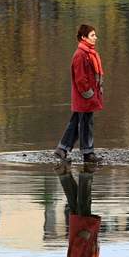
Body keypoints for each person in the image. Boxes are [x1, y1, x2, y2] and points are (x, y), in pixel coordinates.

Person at [54, 24, 104, 164]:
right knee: (86, 124)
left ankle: (62, 150)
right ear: (83, 37)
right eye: (92, 35)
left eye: (95, 35)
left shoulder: (88, 53)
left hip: (87, 96)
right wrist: (90, 95)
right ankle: (87, 153)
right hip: (85, 97)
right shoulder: (81, 55)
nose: (95, 38)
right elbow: (80, 79)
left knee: (77, 123)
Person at [55, 162, 101, 257]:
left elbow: (76, 250)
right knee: (75, 201)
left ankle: (86, 173)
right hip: (83, 230)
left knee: (83, 201)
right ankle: (63, 173)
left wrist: (85, 235)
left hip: (82, 229)